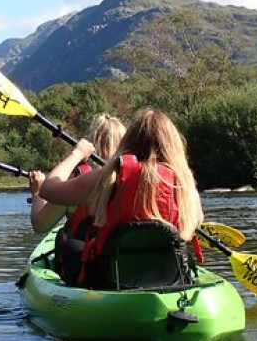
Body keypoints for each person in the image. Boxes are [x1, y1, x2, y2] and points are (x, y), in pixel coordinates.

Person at [39, 108, 203, 287]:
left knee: (69, 245)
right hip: (170, 277)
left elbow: (47, 189)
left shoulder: (110, 176)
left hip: (111, 279)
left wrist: (77, 154)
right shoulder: (184, 182)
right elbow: (192, 226)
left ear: (129, 141)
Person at [28, 113, 125, 283]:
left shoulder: (79, 183)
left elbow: (40, 224)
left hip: (85, 273)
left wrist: (36, 192)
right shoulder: (131, 180)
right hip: (121, 267)